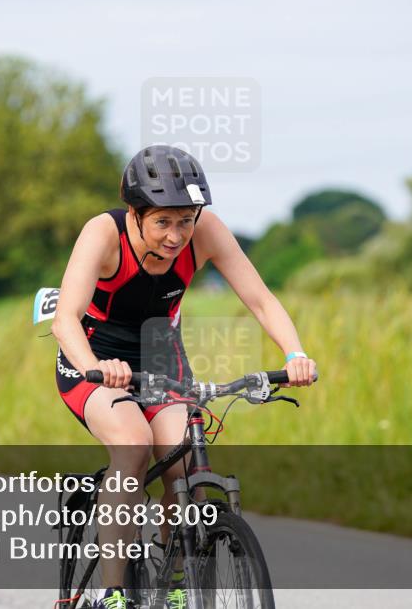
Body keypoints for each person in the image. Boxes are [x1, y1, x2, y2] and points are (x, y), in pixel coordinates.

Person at [52, 145, 317, 609]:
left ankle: (177, 584)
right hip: (94, 357)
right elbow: (64, 319)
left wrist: (294, 352)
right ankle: (112, 596)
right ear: (135, 214)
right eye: (163, 222)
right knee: (133, 445)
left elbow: (261, 299)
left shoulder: (206, 231)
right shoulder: (103, 232)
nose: (177, 236)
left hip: (161, 356)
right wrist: (96, 367)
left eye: (186, 220)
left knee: (185, 460)